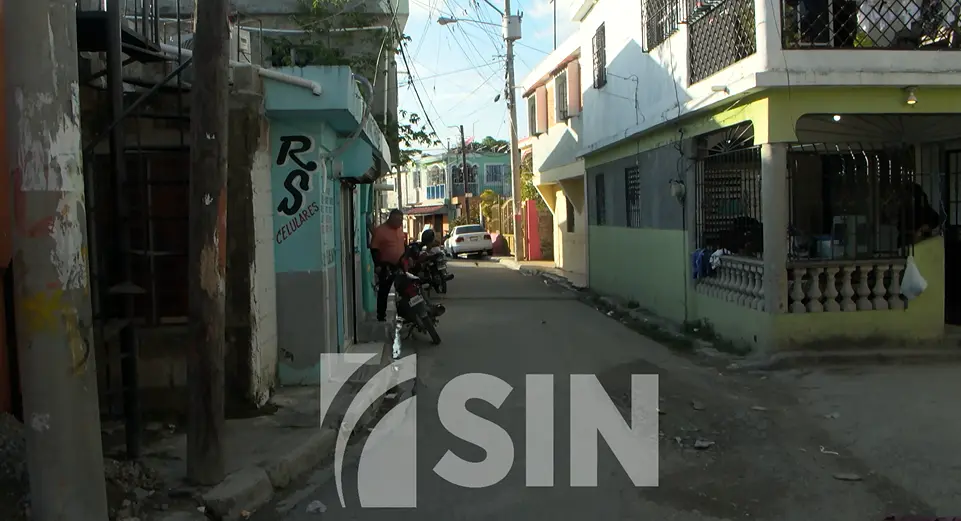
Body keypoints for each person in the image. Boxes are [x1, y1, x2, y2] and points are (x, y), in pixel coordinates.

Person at [370, 209, 406, 322]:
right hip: (386, 266)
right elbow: (374, 249)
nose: (400, 222)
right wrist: (378, 265)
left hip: (399, 264)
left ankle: (405, 312)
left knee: (405, 287)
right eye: (398, 220)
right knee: (384, 291)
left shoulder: (399, 229)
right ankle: (381, 316)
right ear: (390, 219)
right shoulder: (381, 231)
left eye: (401, 220)